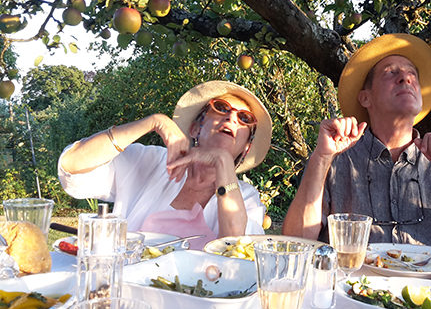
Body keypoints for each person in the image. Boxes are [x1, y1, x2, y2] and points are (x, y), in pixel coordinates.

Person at [282, 34, 431, 247]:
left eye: (412, 73)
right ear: (365, 98)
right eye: (390, 72)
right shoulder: (334, 159)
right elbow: (294, 245)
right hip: (353, 280)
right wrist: (321, 159)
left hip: (430, 281)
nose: (405, 78)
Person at [58, 81, 272, 249]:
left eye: (245, 118)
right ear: (196, 128)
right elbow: (72, 166)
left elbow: (236, 248)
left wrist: (223, 162)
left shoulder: (245, 198)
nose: (232, 117)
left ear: (245, 148)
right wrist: (152, 122)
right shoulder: (150, 160)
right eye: (221, 107)